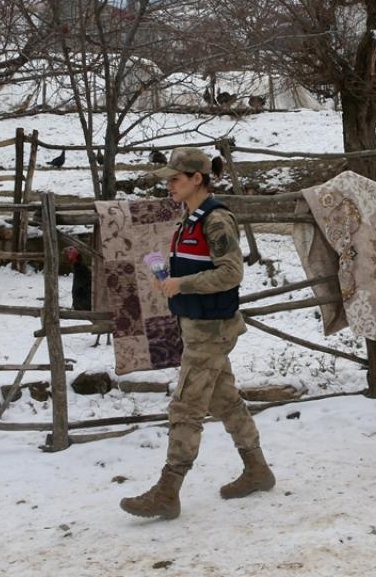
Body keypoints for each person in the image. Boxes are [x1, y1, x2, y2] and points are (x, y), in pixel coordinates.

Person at [120, 147, 274, 520]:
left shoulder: (215, 220)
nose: (169, 185)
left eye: (175, 178)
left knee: (186, 406)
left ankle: (167, 491)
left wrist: (182, 284)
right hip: (197, 324)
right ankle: (257, 469)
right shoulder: (189, 219)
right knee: (224, 401)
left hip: (212, 328)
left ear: (197, 179)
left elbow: (231, 273)